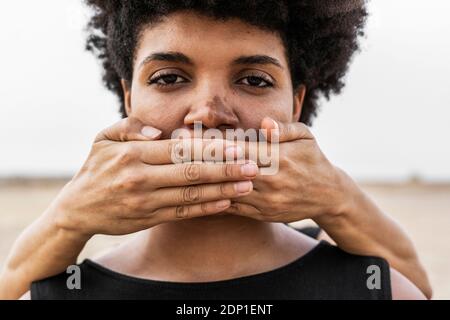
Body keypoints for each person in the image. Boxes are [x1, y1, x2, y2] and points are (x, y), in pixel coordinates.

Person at [0, 0, 430, 299]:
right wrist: (69, 216)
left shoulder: (379, 287)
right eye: (168, 77)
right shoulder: (54, 292)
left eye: (254, 80)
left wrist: (334, 195)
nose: (208, 113)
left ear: (295, 105)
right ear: (129, 99)